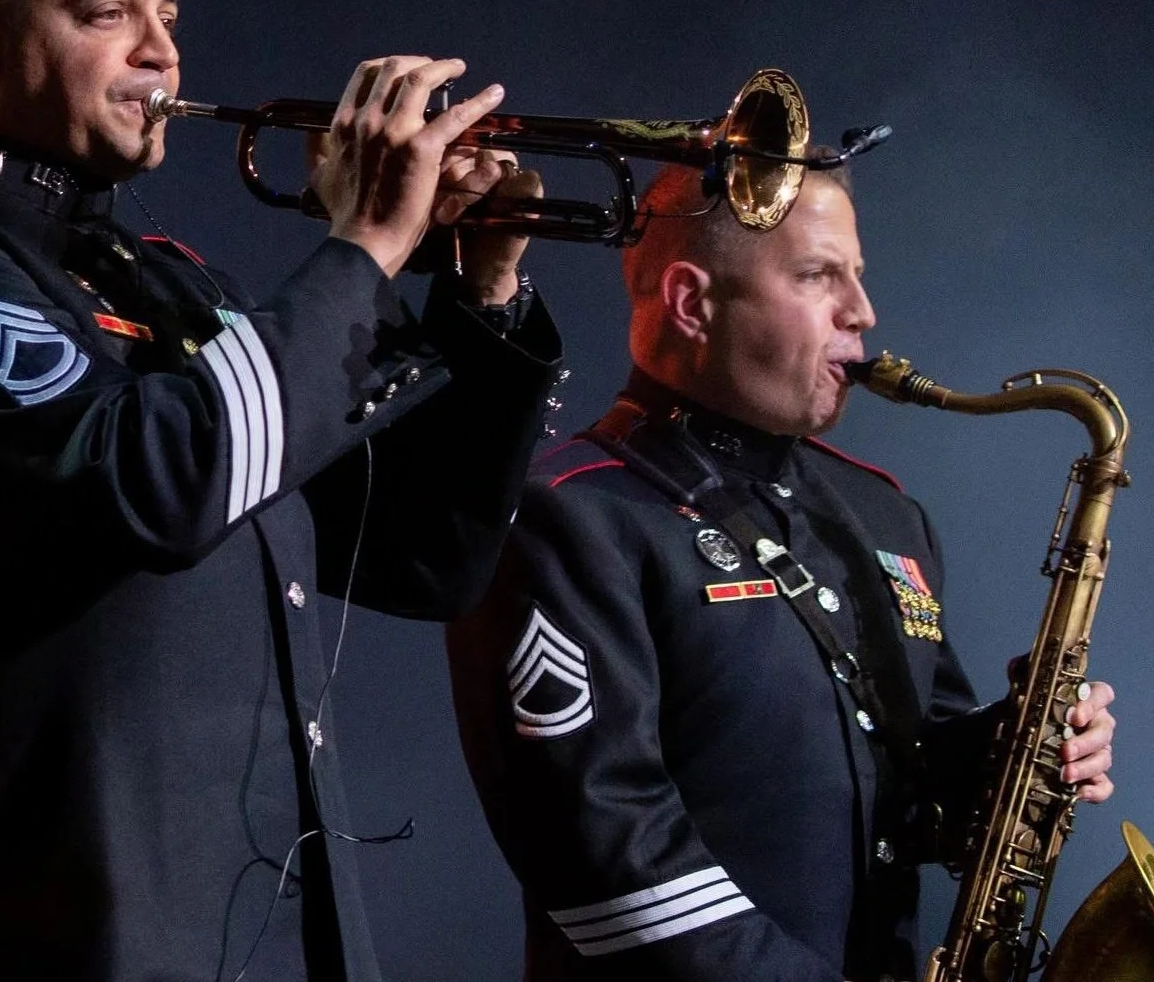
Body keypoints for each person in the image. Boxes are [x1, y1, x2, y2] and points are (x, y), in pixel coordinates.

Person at [0, 0, 562, 981]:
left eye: (169, 16)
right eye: (110, 15)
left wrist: (479, 301)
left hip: (285, 942)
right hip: (78, 939)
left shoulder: (172, 281)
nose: (162, 52)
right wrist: (362, 250)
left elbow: (420, 552)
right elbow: (158, 480)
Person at [446, 159, 1116, 979]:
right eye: (818, 276)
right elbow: (605, 862)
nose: (862, 312)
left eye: (857, 277)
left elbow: (911, 776)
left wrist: (1023, 746)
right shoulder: (569, 515)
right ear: (693, 302)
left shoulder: (883, 514)